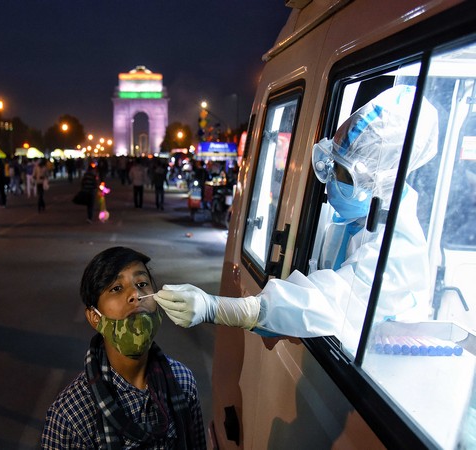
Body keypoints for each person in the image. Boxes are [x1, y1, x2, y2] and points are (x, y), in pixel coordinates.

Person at [154, 85, 439, 345]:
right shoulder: (350, 218)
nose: (329, 181)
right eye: (330, 165)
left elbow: (329, 303)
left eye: (341, 173)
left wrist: (217, 307)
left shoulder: (397, 250)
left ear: (376, 181)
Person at [41, 246, 206, 449]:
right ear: (94, 317)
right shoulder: (70, 417)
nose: (135, 295)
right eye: (117, 288)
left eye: (142, 283)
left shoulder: (183, 382)